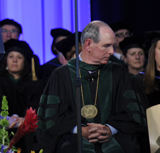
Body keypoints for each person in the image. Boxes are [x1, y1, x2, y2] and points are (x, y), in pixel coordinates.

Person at [36, 20, 144, 153]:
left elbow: (132, 114)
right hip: (74, 140)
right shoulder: (62, 74)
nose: (112, 51)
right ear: (88, 44)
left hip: (114, 138)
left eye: (112, 46)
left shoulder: (118, 72)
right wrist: (80, 130)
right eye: (106, 46)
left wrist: (109, 129)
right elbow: (51, 120)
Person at [0, 39, 44, 150]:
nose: (14, 60)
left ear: (25, 62)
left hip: (27, 131)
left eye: (19, 57)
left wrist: (25, 119)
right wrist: (6, 120)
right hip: (1, 129)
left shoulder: (34, 84)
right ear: (5, 60)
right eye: (11, 57)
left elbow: (36, 106)